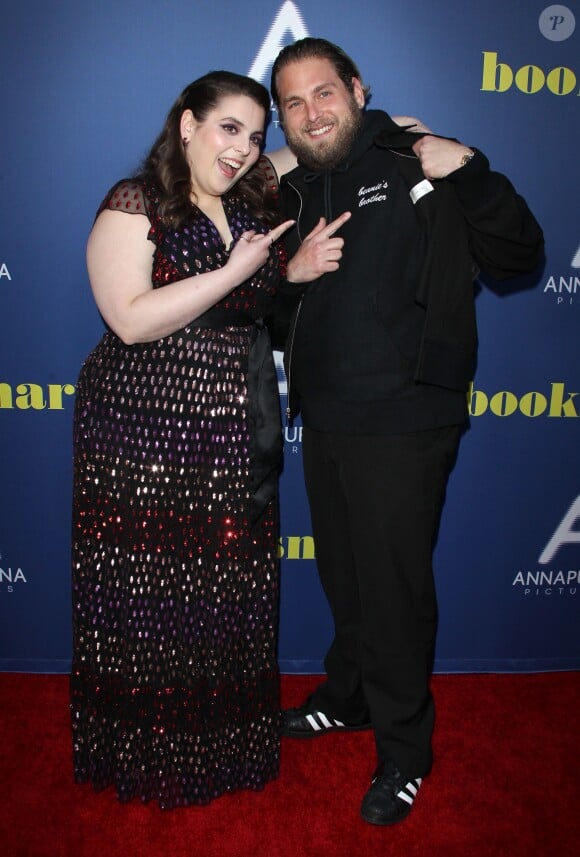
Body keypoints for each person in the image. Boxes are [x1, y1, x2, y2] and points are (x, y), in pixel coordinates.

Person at [269, 38, 544, 826]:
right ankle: (349, 697)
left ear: (357, 89)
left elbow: (521, 253)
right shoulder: (293, 193)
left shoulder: (419, 156)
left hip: (405, 417)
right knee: (346, 582)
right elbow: (282, 319)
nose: (312, 112)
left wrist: (473, 172)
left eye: (325, 92)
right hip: (324, 416)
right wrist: (290, 279)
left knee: (392, 594)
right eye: (294, 102)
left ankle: (405, 750)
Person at [70, 71, 294, 809]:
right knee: (149, 595)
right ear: (188, 124)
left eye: (256, 135)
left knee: (223, 591)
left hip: (231, 432)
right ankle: (144, 747)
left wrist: (391, 130)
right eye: (229, 127)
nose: (244, 147)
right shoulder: (136, 203)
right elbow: (130, 318)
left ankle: (215, 738)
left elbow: (307, 157)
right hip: (142, 432)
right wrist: (235, 272)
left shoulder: (247, 199)